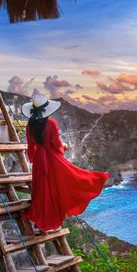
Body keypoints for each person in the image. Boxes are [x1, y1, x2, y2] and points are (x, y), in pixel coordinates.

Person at [21, 93, 109, 232]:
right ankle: (97, 179)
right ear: (46, 110)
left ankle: (40, 222)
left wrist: (33, 159)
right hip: (51, 159)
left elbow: (31, 147)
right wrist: (64, 147)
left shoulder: (29, 125)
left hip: (39, 161)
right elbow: (56, 144)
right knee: (66, 182)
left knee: (41, 190)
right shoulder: (51, 123)